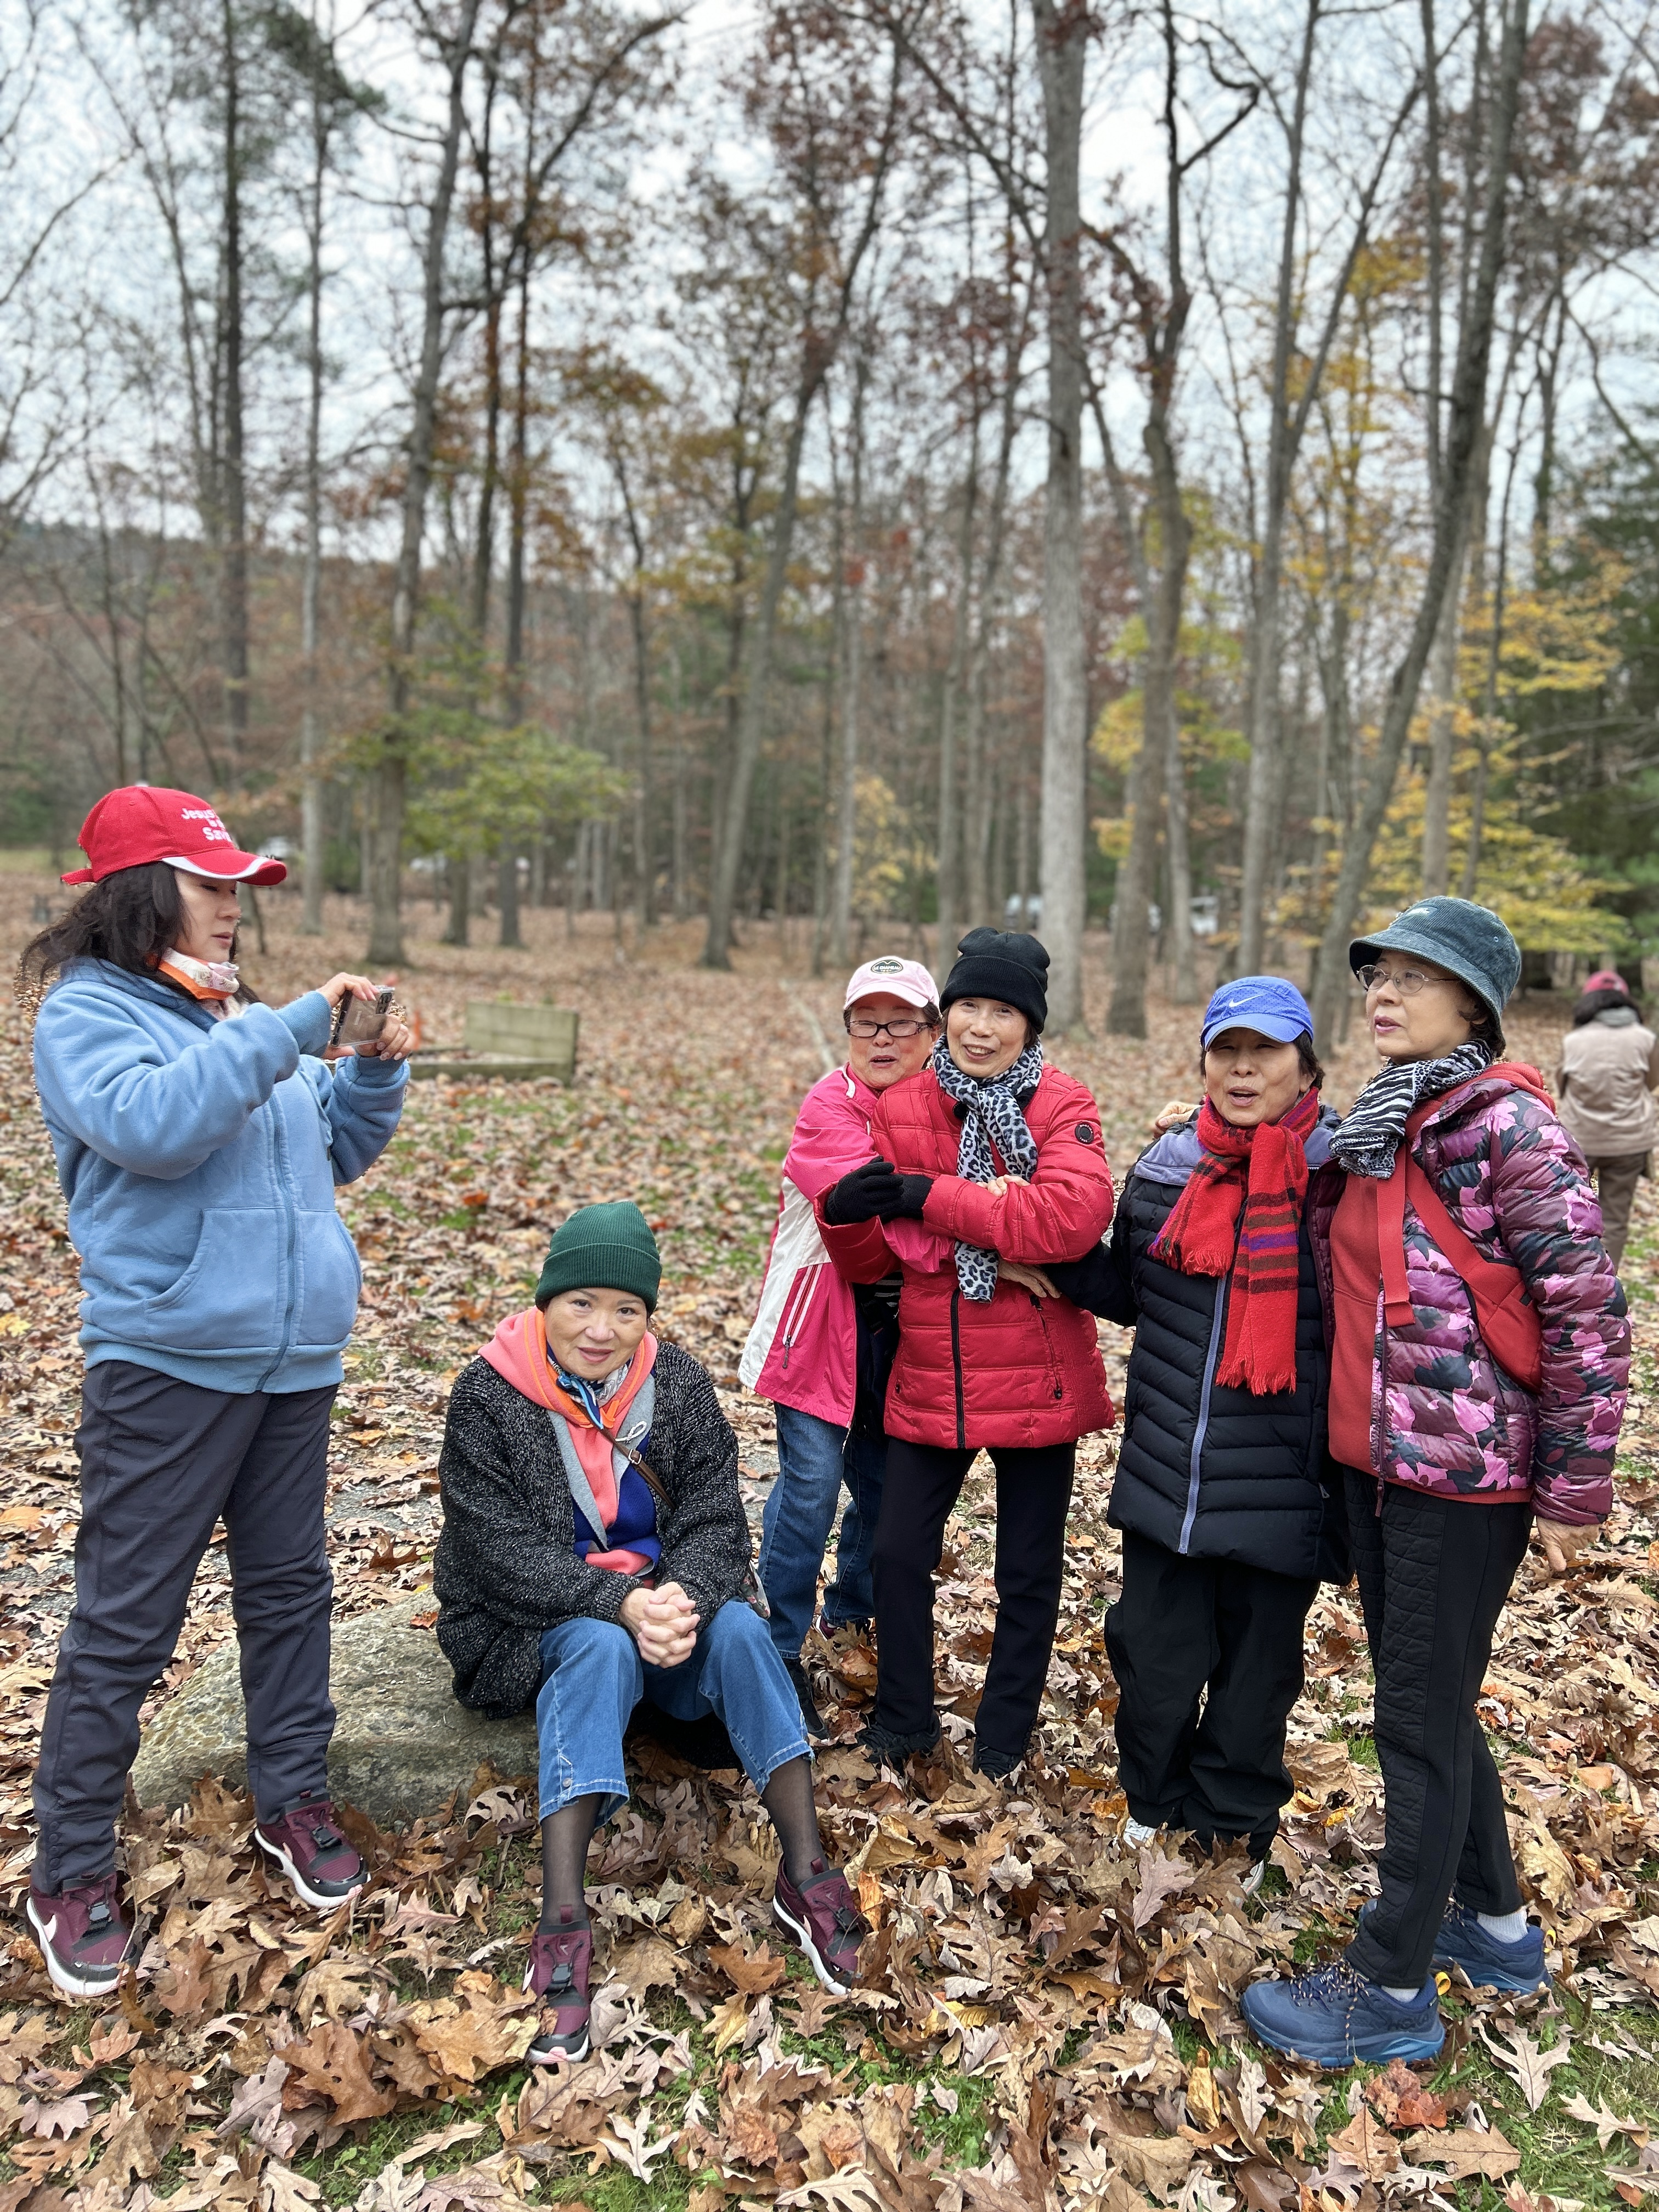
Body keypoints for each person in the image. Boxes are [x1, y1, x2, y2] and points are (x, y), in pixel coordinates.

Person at [21, 785, 413, 2001]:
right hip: (165, 1367)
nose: (234, 906)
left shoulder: (232, 1013)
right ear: (143, 890)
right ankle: (68, 1869)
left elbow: (324, 1154)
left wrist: (369, 1074)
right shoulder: (88, 1016)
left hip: (293, 1364)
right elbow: (159, 1127)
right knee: (127, 1623)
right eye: (211, 884)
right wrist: (290, 1030)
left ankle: (292, 1802)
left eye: (241, 886)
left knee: (290, 1595)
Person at [1241, 898, 1629, 2069]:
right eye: (1378, 975)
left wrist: (1572, 1491)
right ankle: (1495, 1927)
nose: (1384, 993)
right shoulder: (1385, 1120)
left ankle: (1390, 1989)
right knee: (1436, 1706)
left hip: (1461, 1480)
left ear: (1474, 1004)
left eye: (1414, 976)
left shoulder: (1510, 1128)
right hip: (1377, 1469)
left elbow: (1588, 1314)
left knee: (1413, 1725)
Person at [433, 1202, 868, 2064]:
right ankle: (562, 1919)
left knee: (740, 1630)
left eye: (626, 1310)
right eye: (582, 1304)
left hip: (663, 1608)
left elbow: (715, 1522)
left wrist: (678, 1602)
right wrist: (621, 1606)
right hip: (532, 1620)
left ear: (647, 1316)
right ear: (547, 1302)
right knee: (597, 1646)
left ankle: (807, 1872)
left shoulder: (680, 1386)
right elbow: (496, 1553)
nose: (602, 1329)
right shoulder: (487, 1395)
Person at [1039, 978, 1347, 1883]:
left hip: (1284, 1479)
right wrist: (1044, 1255)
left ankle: (1231, 1828)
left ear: (1305, 1067)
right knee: (1152, 1657)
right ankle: (1152, 1799)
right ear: (1204, 1064)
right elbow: (1131, 1291)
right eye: (1227, 1052)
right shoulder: (1167, 1167)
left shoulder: (1344, 1179)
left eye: (1265, 1052)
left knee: (1257, 1676)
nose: (1243, 1070)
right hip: (1169, 1470)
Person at [817, 928, 1115, 1780]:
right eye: (968, 1007)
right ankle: (905, 1719)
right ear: (945, 1014)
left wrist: (927, 1196)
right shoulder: (904, 1104)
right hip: (934, 1364)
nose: (981, 1027)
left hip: (1037, 1368)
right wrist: (849, 1215)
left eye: (1003, 1012)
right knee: (898, 1553)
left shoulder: (1061, 1103)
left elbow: (1069, 1222)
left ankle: (1004, 1739)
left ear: (1031, 1025)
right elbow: (882, 1253)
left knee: (1028, 1568)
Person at [740, 957, 941, 1733]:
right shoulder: (830, 1102)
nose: (882, 1038)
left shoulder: (951, 1106)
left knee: (885, 1485)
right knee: (813, 1485)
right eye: (867, 1022)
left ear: (933, 1032)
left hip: (904, 1330)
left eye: (902, 1023)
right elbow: (879, 1219)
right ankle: (776, 1646)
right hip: (818, 1327)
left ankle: (851, 1614)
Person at [1556, 968, 1656, 1270]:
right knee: (1615, 1216)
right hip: (1629, 1142)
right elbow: (1651, 1082)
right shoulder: (1646, 1039)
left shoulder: (1575, 1041)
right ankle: (1608, 1280)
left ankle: (1576, 1274)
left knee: (1574, 1209)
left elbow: (1563, 1084)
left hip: (1581, 1140)